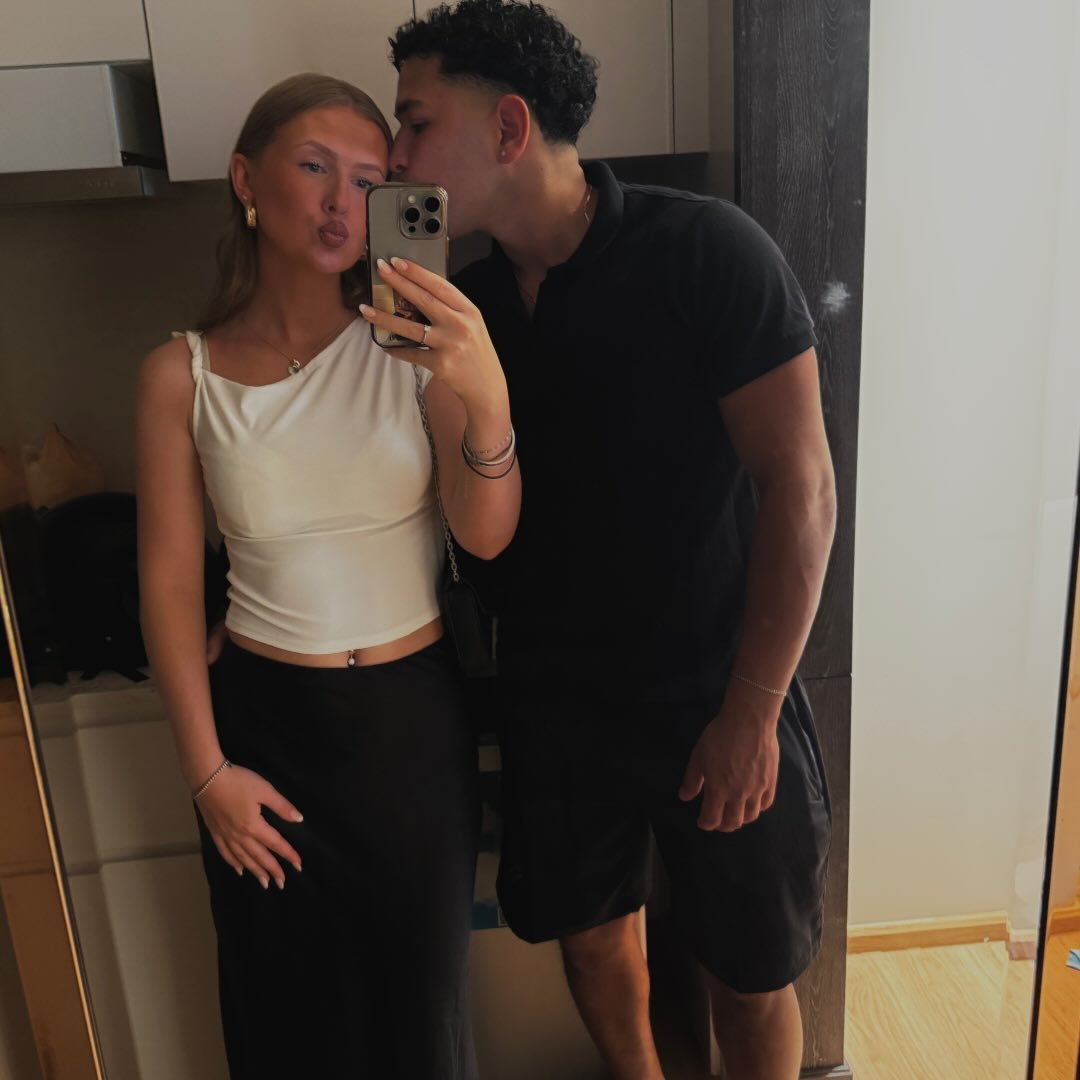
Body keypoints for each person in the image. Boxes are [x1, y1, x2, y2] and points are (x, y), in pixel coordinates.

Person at [386, 4, 836, 1079]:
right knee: (591, 941)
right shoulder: (466, 306)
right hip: (553, 692)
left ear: (507, 128)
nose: (395, 157)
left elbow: (804, 488)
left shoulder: (707, 251)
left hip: (715, 684)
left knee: (749, 969)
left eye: (414, 122)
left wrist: (753, 711)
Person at [135, 72, 519, 1079]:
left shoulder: (415, 348)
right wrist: (207, 775)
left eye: (367, 179)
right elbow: (169, 587)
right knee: (286, 1032)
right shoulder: (181, 376)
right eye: (314, 167)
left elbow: (484, 536)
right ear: (245, 179)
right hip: (262, 737)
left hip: (408, 738)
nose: (341, 201)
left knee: (421, 1031)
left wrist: (486, 402)